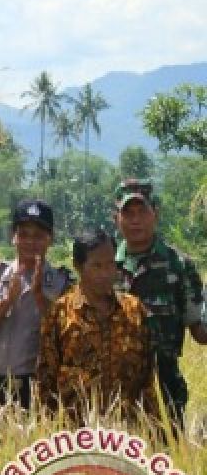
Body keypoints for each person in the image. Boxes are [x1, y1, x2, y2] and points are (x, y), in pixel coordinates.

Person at [37, 228, 159, 426]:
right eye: (97, 266)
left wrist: (152, 429)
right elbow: (46, 380)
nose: (107, 273)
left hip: (125, 433)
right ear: (78, 266)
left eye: (111, 264)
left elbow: (147, 378)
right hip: (76, 435)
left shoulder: (134, 310)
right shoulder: (60, 313)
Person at [113, 178, 206, 435]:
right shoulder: (102, 263)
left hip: (165, 386)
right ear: (115, 218)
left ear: (156, 213)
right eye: (127, 213)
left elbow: (199, 331)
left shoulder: (179, 265)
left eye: (142, 211)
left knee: (165, 466)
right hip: (114, 389)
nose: (135, 220)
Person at [0, 199, 72, 410]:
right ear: (13, 237)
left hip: (36, 386)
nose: (30, 242)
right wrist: (6, 302)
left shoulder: (62, 283)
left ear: (50, 239)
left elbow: (66, 339)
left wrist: (40, 297)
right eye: (23, 234)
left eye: (38, 236)